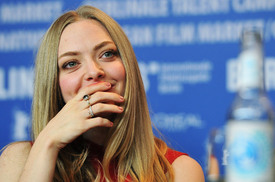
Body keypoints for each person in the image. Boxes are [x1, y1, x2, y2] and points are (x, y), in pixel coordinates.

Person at [0, 5, 204, 182]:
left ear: (128, 66)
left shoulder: (178, 170)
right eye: (71, 63)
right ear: (53, 84)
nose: (93, 71)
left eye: (107, 54)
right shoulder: (19, 160)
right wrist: (48, 142)